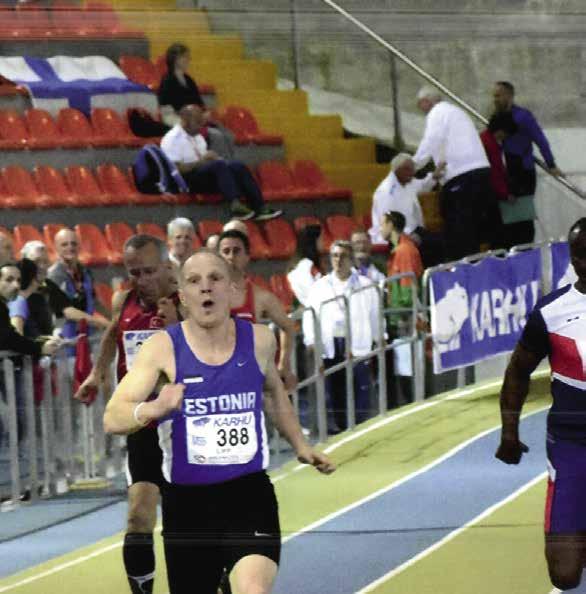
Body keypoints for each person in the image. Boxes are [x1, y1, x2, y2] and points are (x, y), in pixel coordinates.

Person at [103, 249, 335, 594]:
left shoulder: (259, 340)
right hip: (187, 505)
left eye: (215, 278)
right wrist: (151, 409)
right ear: (183, 296)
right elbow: (113, 416)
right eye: (194, 281)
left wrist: (301, 445)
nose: (206, 287)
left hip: (248, 494)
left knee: (253, 590)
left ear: (232, 289)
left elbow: (273, 392)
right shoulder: (162, 348)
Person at [75, 235, 181, 594]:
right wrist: (96, 374)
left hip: (184, 426)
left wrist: (175, 325)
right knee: (138, 517)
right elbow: (111, 336)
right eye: (134, 272)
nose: (142, 280)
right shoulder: (124, 300)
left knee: (187, 520)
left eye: (149, 271)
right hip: (142, 422)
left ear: (166, 266)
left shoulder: (189, 301)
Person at [495, 218, 586, 592]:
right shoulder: (551, 312)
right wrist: (509, 433)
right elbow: (517, 372)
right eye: (580, 255)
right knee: (564, 574)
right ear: (573, 258)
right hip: (571, 444)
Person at [303, 240, 379, 431]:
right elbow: (309, 316)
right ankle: (340, 429)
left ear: (351, 259)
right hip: (331, 344)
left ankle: (360, 428)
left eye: (343, 256)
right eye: (335, 256)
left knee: (359, 389)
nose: (338, 260)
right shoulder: (320, 286)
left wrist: (379, 337)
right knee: (335, 391)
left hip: (356, 342)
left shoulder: (366, 285)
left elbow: (375, 314)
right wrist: (311, 340)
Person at [413, 86, 496, 260]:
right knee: (475, 231)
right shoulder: (456, 112)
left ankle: (463, 269)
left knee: (459, 231)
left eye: (419, 104)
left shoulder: (437, 112)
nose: (420, 109)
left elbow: (430, 141)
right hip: (481, 174)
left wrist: (411, 166)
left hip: (462, 177)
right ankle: (477, 266)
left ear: (425, 101)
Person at [160, 104, 282, 222]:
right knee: (219, 166)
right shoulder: (172, 139)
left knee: (236, 166)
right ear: (185, 121)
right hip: (185, 181)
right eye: (197, 123)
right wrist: (202, 162)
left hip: (201, 174)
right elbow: (175, 170)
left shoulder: (197, 136)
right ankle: (235, 205)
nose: (201, 127)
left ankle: (259, 206)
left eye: (202, 122)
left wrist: (213, 158)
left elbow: (205, 162)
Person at [218, 229, 297, 391]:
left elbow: (288, 326)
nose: (231, 256)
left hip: (247, 377)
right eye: (226, 251)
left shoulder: (260, 296)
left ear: (247, 257)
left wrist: (284, 364)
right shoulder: (205, 294)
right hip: (215, 376)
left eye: (236, 251)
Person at [493, 81, 560, 246]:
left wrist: (551, 164)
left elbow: (540, 140)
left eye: (498, 95)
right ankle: (512, 250)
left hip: (523, 172)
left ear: (509, 96)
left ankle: (526, 250)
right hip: (506, 172)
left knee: (523, 217)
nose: (495, 99)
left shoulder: (523, 116)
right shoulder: (496, 118)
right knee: (508, 218)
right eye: (494, 96)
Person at [157, 42, 235, 159]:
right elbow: (167, 110)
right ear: (175, 59)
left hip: (195, 119)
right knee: (216, 135)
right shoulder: (167, 81)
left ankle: (227, 162)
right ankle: (218, 163)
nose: (188, 60)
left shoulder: (189, 80)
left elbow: (199, 103)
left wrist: (204, 114)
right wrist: (189, 119)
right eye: (185, 57)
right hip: (180, 121)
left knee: (228, 134)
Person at [20, 241, 108, 340]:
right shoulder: (17, 288)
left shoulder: (48, 285)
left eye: (45, 262)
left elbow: (68, 310)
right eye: (36, 261)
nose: (42, 266)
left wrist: (101, 323)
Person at [380, 211, 423, 405]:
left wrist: (404, 315)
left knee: (409, 372)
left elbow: (407, 288)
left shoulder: (404, 251)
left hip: (406, 320)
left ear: (391, 225)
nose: (380, 229)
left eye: (383, 224)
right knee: (405, 371)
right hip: (400, 318)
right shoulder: (399, 250)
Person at [48, 228, 109, 351]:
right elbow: (67, 311)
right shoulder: (53, 276)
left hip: (87, 332)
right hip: (65, 336)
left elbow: (94, 301)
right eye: (64, 244)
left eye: (73, 244)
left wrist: (113, 319)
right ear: (56, 248)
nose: (70, 248)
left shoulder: (85, 271)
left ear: (79, 246)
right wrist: (100, 322)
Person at [480, 111, 531, 249]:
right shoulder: (489, 144)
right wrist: (505, 194)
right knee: (499, 235)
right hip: (494, 195)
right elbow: (494, 172)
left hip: (493, 192)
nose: (506, 137)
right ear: (500, 130)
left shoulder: (487, 140)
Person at [0, 261, 61, 356]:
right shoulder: (18, 302)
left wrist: (42, 342)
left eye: (19, 280)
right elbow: (11, 338)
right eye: (9, 280)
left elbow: (12, 335)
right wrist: (40, 347)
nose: (16, 285)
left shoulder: (9, 303)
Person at [287, 224, 325, 309]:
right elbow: (315, 294)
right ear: (313, 242)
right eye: (321, 239)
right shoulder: (306, 266)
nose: (323, 242)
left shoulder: (304, 264)